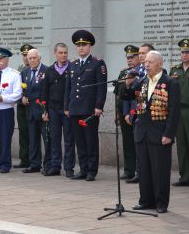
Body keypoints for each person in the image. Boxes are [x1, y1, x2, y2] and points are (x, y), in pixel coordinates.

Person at [123, 51, 180, 213]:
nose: (146, 64)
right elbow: (126, 97)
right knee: (144, 169)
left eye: (150, 62)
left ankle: (161, 203)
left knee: (160, 169)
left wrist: (169, 134)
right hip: (142, 132)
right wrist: (127, 84)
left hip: (160, 133)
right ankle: (145, 200)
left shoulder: (170, 82)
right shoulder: (142, 81)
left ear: (160, 63)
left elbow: (174, 110)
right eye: (145, 62)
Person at [64, 30, 107, 181]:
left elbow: (101, 87)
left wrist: (99, 105)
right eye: (78, 45)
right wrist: (67, 107)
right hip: (75, 109)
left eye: (84, 45)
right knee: (79, 141)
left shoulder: (97, 63)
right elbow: (68, 88)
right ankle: (82, 169)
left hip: (89, 109)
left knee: (90, 140)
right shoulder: (73, 65)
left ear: (90, 46)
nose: (81, 48)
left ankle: (91, 170)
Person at [42, 43, 75, 177]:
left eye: (65, 53)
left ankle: (69, 167)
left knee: (69, 139)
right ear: (55, 54)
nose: (63, 55)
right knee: (54, 139)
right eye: (60, 53)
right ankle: (55, 166)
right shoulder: (49, 71)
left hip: (67, 110)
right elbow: (44, 93)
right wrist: (44, 111)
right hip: (53, 109)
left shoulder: (72, 68)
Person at [113, 45, 141, 183]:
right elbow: (118, 95)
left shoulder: (141, 72)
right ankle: (129, 170)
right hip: (123, 112)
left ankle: (138, 171)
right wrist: (117, 114)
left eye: (133, 57)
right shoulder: (123, 73)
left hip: (137, 112)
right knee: (127, 142)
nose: (130, 60)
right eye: (128, 57)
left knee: (137, 143)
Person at [21, 49, 49, 174]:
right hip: (30, 111)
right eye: (30, 58)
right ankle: (34, 164)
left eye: (34, 58)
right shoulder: (25, 72)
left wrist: (47, 110)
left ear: (39, 58)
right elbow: (22, 90)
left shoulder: (47, 71)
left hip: (43, 111)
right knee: (33, 140)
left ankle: (48, 164)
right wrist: (22, 98)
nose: (31, 60)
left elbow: (49, 92)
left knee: (47, 139)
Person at [170, 38, 189, 186]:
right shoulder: (174, 70)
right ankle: (184, 177)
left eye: (188, 52)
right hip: (179, 111)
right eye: (183, 52)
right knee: (181, 146)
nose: (185, 55)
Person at [13, 44, 34, 169]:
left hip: (33, 106)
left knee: (34, 134)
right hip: (22, 107)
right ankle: (24, 159)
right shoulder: (20, 71)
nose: (26, 58)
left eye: (28, 55)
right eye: (24, 55)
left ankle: (34, 159)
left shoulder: (40, 70)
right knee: (23, 134)